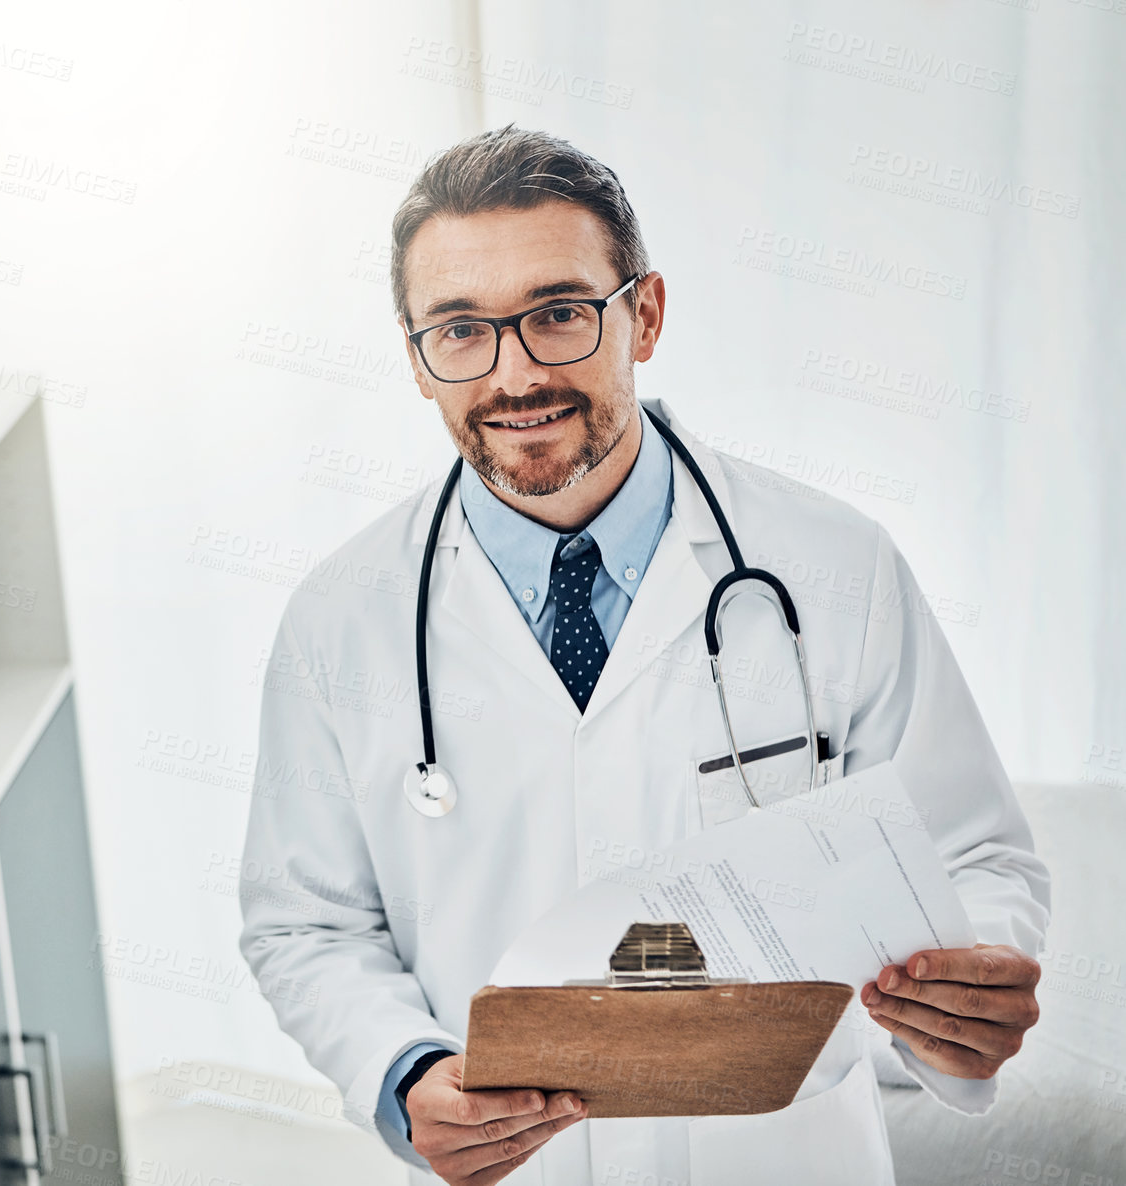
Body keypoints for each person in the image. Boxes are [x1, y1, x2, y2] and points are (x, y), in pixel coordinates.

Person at [236, 126, 1049, 1186]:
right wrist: (400, 1072)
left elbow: (972, 856)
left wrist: (968, 985)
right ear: (415, 358)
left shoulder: (831, 566)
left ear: (644, 315)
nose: (514, 372)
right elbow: (305, 920)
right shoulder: (339, 620)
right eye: (460, 332)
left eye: (559, 314)